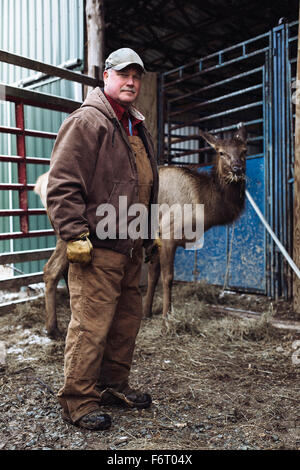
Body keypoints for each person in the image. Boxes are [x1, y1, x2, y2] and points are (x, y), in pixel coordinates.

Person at [46, 48, 159, 430]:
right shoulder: (88, 121)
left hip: (129, 247)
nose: (131, 82)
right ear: (106, 76)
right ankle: (77, 401)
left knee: (126, 322)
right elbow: (62, 184)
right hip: (96, 248)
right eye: (123, 74)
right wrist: (74, 235)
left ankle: (112, 386)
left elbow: (142, 186)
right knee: (90, 326)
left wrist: (148, 234)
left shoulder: (134, 125)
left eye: (137, 76)